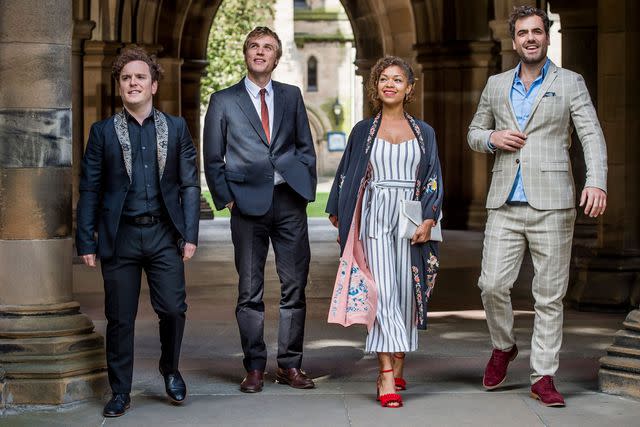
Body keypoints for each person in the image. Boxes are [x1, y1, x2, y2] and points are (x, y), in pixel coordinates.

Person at [468, 6, 607, 407]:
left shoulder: (570, 83)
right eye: (523, 33)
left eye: (537, 31)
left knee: (548, 294)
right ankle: (503, 345)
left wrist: (596, 181)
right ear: (514, 41)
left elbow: (591, 135)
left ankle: (543, 375)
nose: (531, 38)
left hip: (553, 202)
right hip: (504, 200)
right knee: (491, 284)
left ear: (547, 36)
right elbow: (474, 132)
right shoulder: (496, 85)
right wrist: (493, 138)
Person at [76, 46, 200, 417]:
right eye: (126, 77)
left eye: (140, 77)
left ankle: (170, 369)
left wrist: (189, 234)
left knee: (174, 310)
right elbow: (90, 189)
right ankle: (120, 391)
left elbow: (190, 184)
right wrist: (86, 238)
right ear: (120, 86)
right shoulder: (102, 133)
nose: (133, 83)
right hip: (120, 237)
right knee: (119, 318)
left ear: (153, 85)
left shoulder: (176, 128)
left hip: (164, 234)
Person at [203, 27, 317, 393]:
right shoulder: (223, 101)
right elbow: (212, 157)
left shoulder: (292, 96)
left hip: (289, 203)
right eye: (254, 45)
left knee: (294, 286)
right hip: (246, 206)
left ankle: (290, 365)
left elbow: (305, 145)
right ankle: (254, 366)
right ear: (245, 53)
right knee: (249, 289)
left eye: (268, 47)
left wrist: (304, 187)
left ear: (277, 57)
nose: (260, 52)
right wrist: (228, 198)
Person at [326, 56, 444, 408]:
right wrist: (339, 210)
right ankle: (386, 375)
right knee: (385, 294)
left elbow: (434, 178)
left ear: (409, 88)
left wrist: (429, 219)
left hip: (411, 217)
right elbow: (346, 173)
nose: (389, 84)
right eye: (383, 79)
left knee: (408, 293)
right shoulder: (364, 130)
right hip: (375, 217)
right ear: (375, 87)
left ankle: (398, 358)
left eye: (397, 79)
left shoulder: (425, 132)